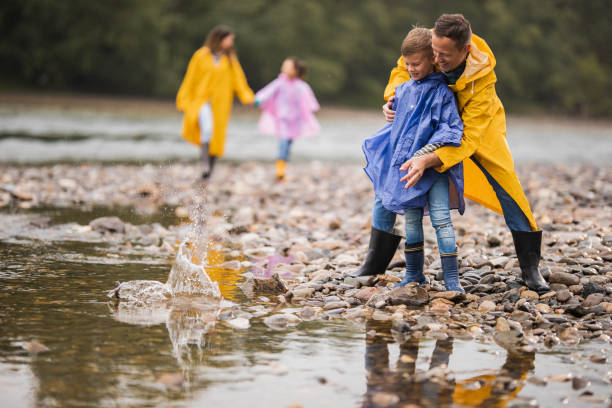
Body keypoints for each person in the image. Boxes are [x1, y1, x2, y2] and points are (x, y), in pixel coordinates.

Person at [376, 14, 550, 293]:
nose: (437, 59)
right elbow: (402, 66)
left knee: (507, 186)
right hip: (429, 119)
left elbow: (467, 139)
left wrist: (429, 159)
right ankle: (374, 262)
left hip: (476, 126)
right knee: (390, 171)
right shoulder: (433, 42)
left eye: (444, 55)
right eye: (434, 52)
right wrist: (392, 99)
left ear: (465, 50)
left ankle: (531, 268)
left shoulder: (482, 79)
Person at [360, 27, 465, 292]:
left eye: (416, 64)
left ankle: (452, 278)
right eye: (407, 64)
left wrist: (425, 154)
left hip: (433, 168)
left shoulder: (442, 93)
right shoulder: (404, 90)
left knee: (441, 219)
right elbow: (397, 125)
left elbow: (451, 129)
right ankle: (414, 273)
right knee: (411, 221)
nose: (411, 68)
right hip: (406, 169)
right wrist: (388, 107)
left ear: (433, 59)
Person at [176, 25, 254, 180]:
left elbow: (239, 80)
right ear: (220, 39)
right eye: (229, 39)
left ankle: (209, 169)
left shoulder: (230, 60)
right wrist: (184, 98)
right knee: (207, 129)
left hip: (221, 103)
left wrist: (247, 97)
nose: (231, 42)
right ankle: (205, 164)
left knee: (217, 136)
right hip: (202, 100)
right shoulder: (200, 56)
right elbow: (190, 78)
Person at [254, 57, 320, 181]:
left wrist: (312, 106)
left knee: (288, 143)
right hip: (282, 118)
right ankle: (280, 171)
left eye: (288, 66)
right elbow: (268, 91)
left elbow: (308, 97)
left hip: (296, 120)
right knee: (283, 142)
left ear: (296, 70)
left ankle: (283, 163)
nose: (284, 68)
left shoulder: (300, 85)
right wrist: (259, 98)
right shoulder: (279, 82)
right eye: (284, 66)